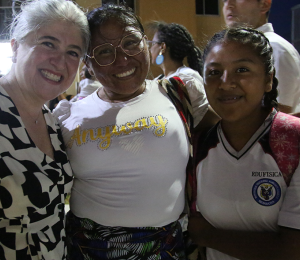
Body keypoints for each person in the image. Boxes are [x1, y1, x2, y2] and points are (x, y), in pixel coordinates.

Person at [53, 4, 213, 260]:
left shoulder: (181, 94)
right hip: (89, 249)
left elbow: (225, 141)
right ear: (89, 64)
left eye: (131, 42)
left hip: (165, 247)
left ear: (146, 43)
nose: (123, 59)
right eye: (104, 51)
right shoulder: (68, 115)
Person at [0, 0, 89, 259]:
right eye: (48, 43)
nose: (59, 61)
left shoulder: (51, 122)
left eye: (73, 52)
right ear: (14, 47)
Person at [187, 27, 300, 260]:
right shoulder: (198, 147)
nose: (226, 82)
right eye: (214, 72)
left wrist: (207, 235)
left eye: (242, 69)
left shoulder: (294, 141)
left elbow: (295, 249)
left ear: (268, 79)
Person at [222, 0, 300, 113]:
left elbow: (280, 113)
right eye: (224, 0)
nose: (229, 5)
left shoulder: (275, 48)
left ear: (264, 4)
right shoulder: (237, 49)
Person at [148, 21, 208, 133]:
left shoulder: (186, 79)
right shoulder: (159, 80)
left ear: (162, 47)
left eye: (152, 44)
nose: (150, 49)